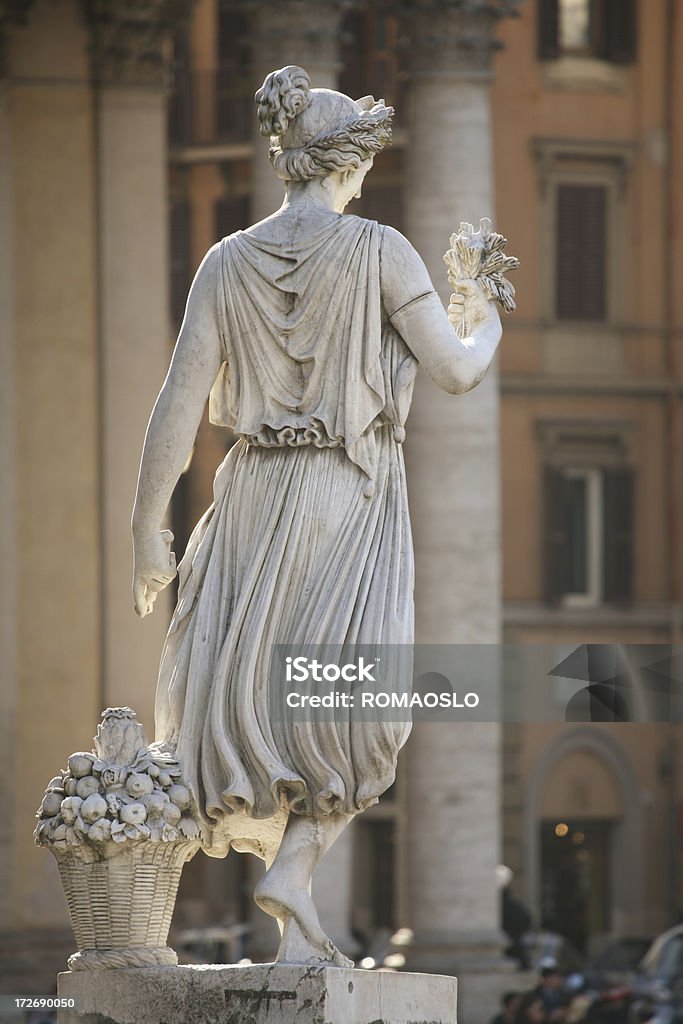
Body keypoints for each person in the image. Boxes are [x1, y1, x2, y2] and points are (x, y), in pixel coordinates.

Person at [131, 64, 503, 967]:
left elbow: (176, 408)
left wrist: (148, 527)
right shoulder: (380, 250)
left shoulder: (226, 259)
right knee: (355, 704)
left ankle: (217, 909)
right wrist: (484, 310)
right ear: (348, 165)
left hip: (250, 494)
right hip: (346, 494)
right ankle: (294, 866)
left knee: (239, 696)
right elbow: (455, 370)